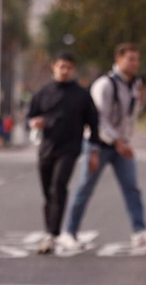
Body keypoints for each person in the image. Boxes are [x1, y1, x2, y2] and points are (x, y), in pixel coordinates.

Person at [61, 43, 146, 253]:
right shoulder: (104, 85)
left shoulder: (135, 85)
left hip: (121, 146)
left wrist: (125, 140)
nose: (134, 63)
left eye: (136, 59)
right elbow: (98, 120)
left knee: (131, 188)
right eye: (130, 59)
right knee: (84, 189)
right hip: (98, 144)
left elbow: (129, 116)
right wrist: (118, 142)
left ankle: (140, 231)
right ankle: (68, 233)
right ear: (118, 60)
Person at [24, 53, 98, 256]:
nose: (64, 70)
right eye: (61, 66)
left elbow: (93, 123)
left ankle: (52, 233)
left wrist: (93, 150)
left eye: (68, 67)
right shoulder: (42, 93)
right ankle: (50, 229)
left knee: (59, 186)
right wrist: (33, 123)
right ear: (53, 68)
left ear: (73, 69)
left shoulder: (81, 95)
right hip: (46, 148)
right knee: (48, 192)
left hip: (70, 148)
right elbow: (30, 116)